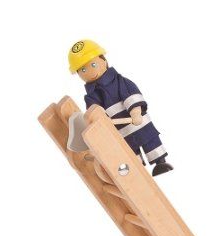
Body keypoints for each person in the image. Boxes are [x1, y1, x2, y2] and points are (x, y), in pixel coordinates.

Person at [69, 39, 173, 176]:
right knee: (129, 151)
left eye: (93, 64)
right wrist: (102, 121)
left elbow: (131, 94)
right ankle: (139, 171)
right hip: (121, 131)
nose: (89, 71)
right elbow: (94, 111)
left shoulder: (119, 81)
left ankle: (160, 162)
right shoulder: (90, 96)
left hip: (137, 123)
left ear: (103, 60)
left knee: (150, 141)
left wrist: (135, 112)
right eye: (83, 69)